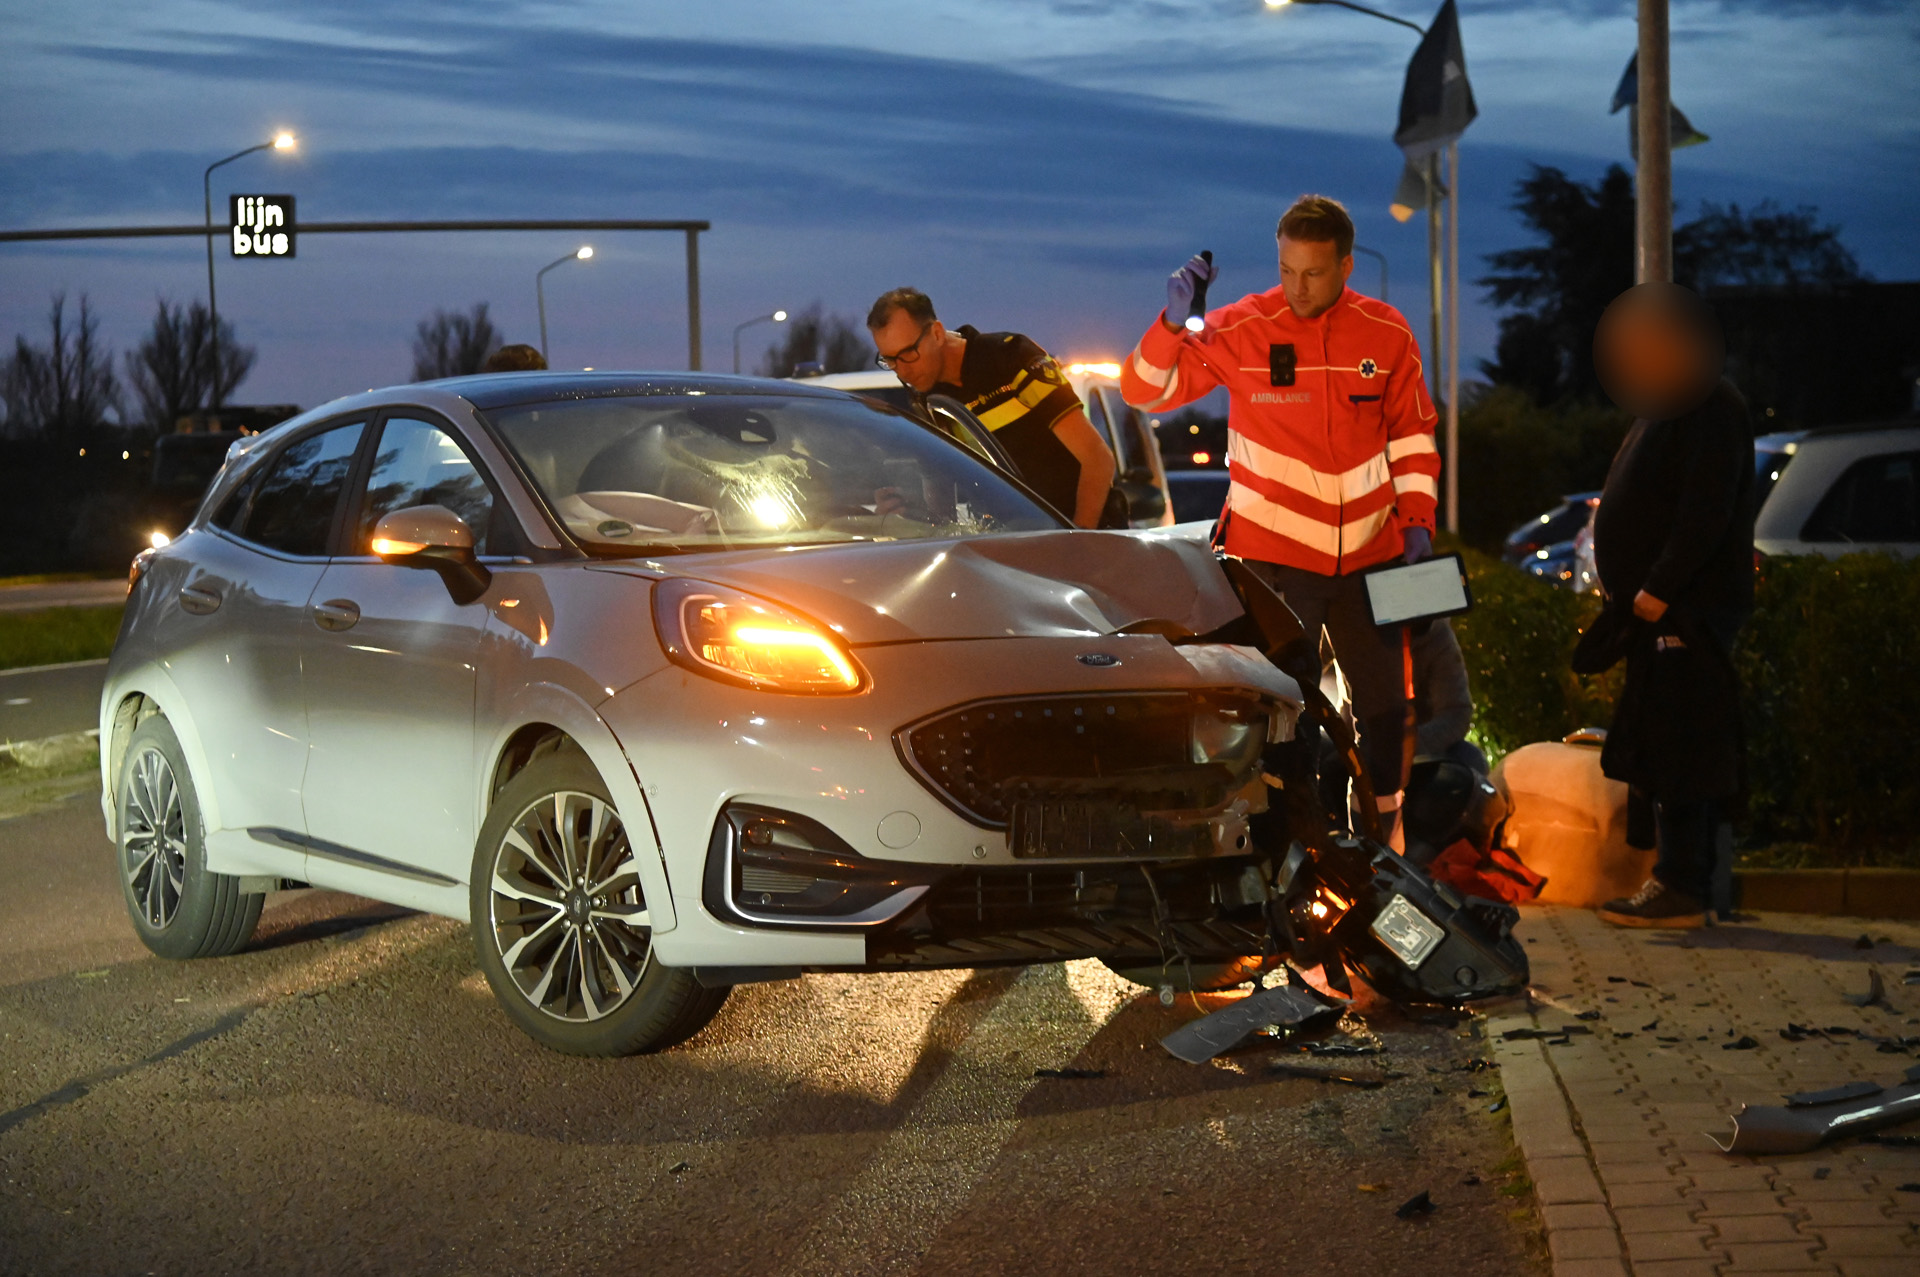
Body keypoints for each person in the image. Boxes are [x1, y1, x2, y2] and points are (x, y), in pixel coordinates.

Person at [1121, 194, 1440, 830]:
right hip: (1274, 558)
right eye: (1287, 269)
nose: (1297, 287)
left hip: (1376, 558)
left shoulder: (1387, 332)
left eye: (1314, 272)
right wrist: (1170, 323)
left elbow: (1412, 437)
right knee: (1273, 712)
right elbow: (1144, 391)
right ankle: (1285, 840)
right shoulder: (1243, 326)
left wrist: (1419, 527)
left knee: (1388, 710)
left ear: (1346, 266)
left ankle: (1385, 834)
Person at [1575, 282, 1755, 929]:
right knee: (1667, 740)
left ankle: (1684, 883)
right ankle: (1683, 880)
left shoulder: (1711, 406)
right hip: (1664, 608)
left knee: (1683, 745)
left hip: (1685, 610)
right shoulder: (1674, 403)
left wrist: (1657, 590)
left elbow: (1705, 510)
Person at [866, 288, 1121, 529]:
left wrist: (1080, 537)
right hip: (1009, 543)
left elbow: (1096, 457)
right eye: (889, 360)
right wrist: (908, 516)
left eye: (909, 353)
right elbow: (940, 488)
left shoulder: (1010, 358)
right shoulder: (926, 395)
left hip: (1079, 534)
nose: (903, 370)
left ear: (936, 333)